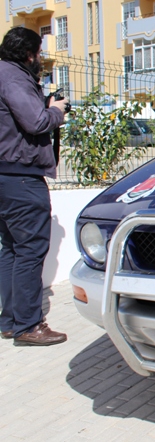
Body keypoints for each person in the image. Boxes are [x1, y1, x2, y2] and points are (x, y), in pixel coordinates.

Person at [0, 27, 70, 345]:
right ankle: (29, 326)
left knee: (11, 249)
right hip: (21, 177)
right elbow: (36, 122)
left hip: (6, 176)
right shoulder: (14, 77)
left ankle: (11, 321)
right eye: (39, 52)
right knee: (29, 250)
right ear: (29, 54)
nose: (40, 58)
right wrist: (56, 111)